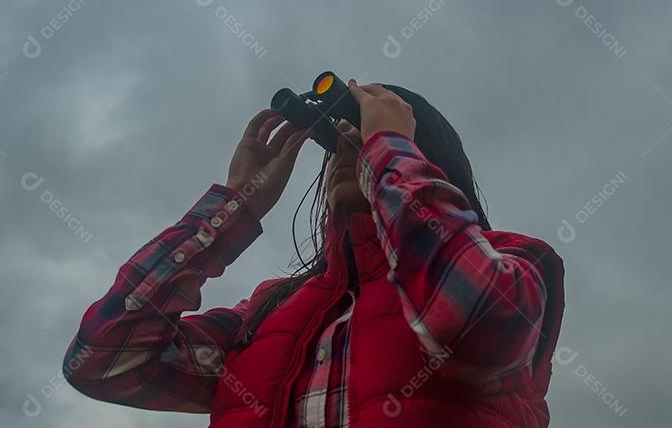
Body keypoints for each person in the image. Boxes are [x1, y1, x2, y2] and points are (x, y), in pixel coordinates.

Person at [62, 78, 565, 427]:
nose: (348, 151)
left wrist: (387, 146)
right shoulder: (266, 314)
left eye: (361, 138)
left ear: (422, 153)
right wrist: (236, 202)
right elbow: (104, 360)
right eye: (339, 143)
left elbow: (475, 323)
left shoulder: (517, 264)